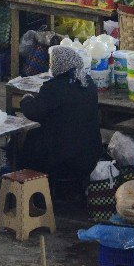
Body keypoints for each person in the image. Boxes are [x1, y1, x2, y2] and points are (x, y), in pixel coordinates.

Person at [20, 46, 102, 184]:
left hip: (64, 160)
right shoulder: (88, 83)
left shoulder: (54, 87)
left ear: (58, 65)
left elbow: (33, 111)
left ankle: (33, 189)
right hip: (91, 156)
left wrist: (26, 99)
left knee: (30, 139)